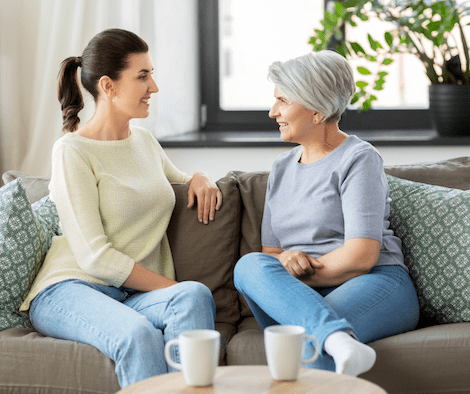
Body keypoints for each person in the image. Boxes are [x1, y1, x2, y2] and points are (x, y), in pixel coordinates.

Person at [19, 29, 222, 388]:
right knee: (138, 334)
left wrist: (201, 177)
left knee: (194, 295)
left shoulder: (143, 141)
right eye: (142, 76)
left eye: (151, 74)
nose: (154, 87)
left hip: (130, 296)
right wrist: (167, 286)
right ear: (108, 86)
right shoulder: (72, 151)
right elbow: (94, 257)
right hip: (71, 290)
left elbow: (180, 178)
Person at [234, 50, 420, 377]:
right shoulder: (280, 168)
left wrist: (296, 278)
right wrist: (287, 265)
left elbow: (362, 255)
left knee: (306, 343)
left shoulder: (359, 158)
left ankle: (327, 335)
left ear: (317, 110)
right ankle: (336, 337)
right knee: (248, 265)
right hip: (301, 294)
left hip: (375, 282)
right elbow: (271, 255)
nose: (272, 111)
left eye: (283, 101)